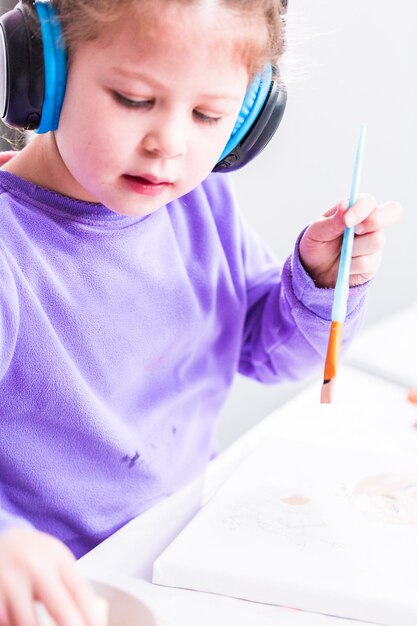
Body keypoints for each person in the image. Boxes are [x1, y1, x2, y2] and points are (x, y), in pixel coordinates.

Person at [0, 0, 402, 624]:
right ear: (44, 75)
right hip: (61, 592)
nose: (169, 143)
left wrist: (321, 280)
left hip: (186, 553)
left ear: (246, 119)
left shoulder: (201, 206)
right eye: (133, 99)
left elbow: (270, 354)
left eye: (209, 114)